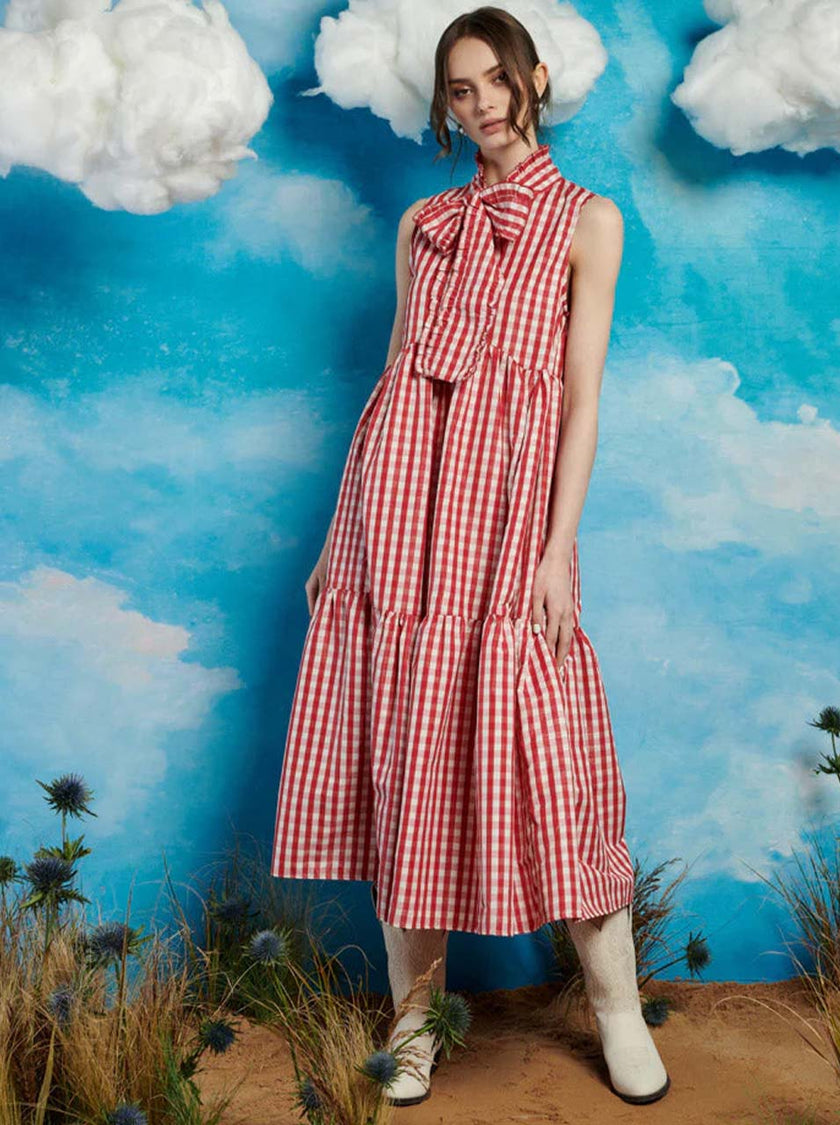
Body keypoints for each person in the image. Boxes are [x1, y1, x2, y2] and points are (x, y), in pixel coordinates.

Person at [270, 4, 670, 1109]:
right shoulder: (423, 224)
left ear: (534, 79)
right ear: (443, 104)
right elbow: (394, 384)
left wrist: (556, 550)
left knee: (548, 751)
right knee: (409, 757)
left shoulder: (590, 220)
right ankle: (415, 1027)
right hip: (398, 515)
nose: (481, 102)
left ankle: (619, 1013)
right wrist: (338, 537)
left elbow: (580, 398)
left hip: (508, 518)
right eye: (460, 88)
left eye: (496, 79)